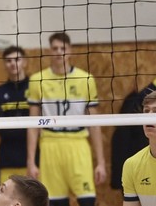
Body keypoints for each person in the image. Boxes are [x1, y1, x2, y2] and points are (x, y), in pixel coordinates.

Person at [26, 32, 106, 206]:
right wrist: (31, 161)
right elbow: (32, 124)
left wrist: (101, 162)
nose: (58, 52)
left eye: (63, 48)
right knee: (54, 202)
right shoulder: (37, 80)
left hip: (78, 144)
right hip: (50, 145)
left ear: (70, 51)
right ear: (49, 51)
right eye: (54, 48)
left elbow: (95, 124)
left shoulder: (85, 79)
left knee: (87, 200)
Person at [0, 46, 30, 182]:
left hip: (35, 159)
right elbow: (2, 130)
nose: (13, 63)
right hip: (8, 158)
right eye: (8, 61)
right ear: (4, 65)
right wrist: (28, 129)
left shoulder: (36, 88)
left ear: (25, 62)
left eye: (17, 59)